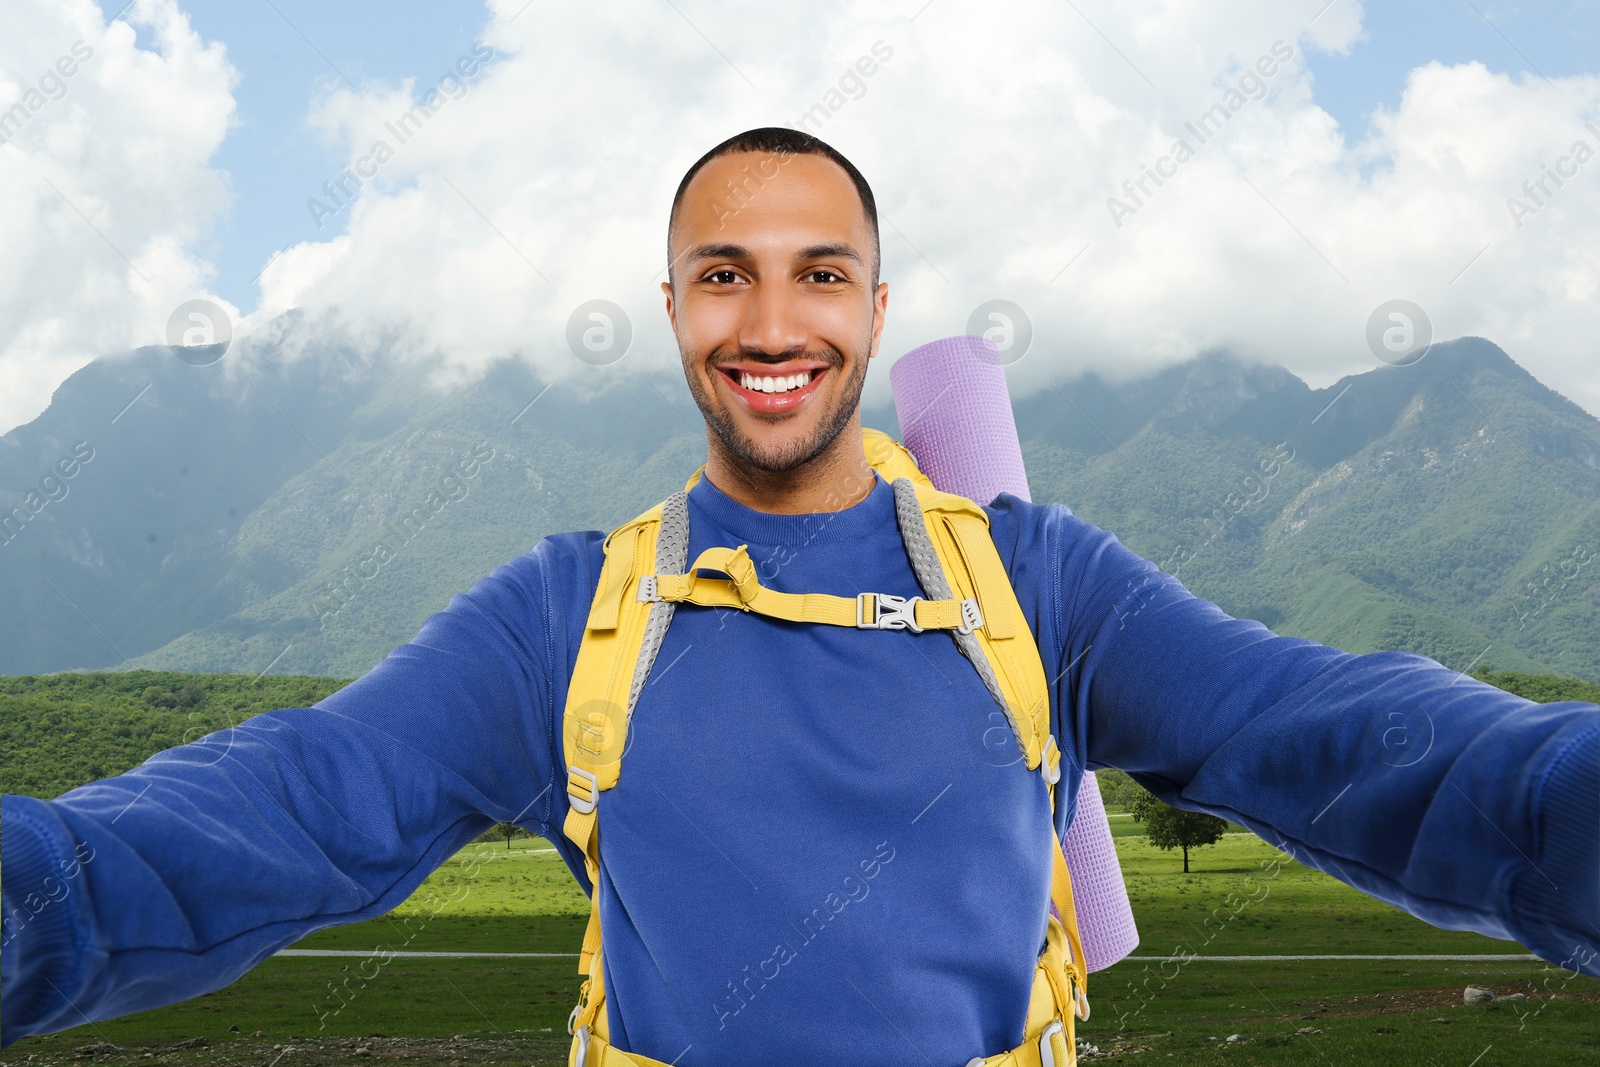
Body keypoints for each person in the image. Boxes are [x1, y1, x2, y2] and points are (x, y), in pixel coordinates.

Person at [3, 127, 1596, 1066]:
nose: (774, 321)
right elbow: (274, 815)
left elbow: (1371, 751)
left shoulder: (1043, 588)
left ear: (878, 306)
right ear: (677, 310)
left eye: (820, 272)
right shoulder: (563, 619)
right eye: (727, 273)